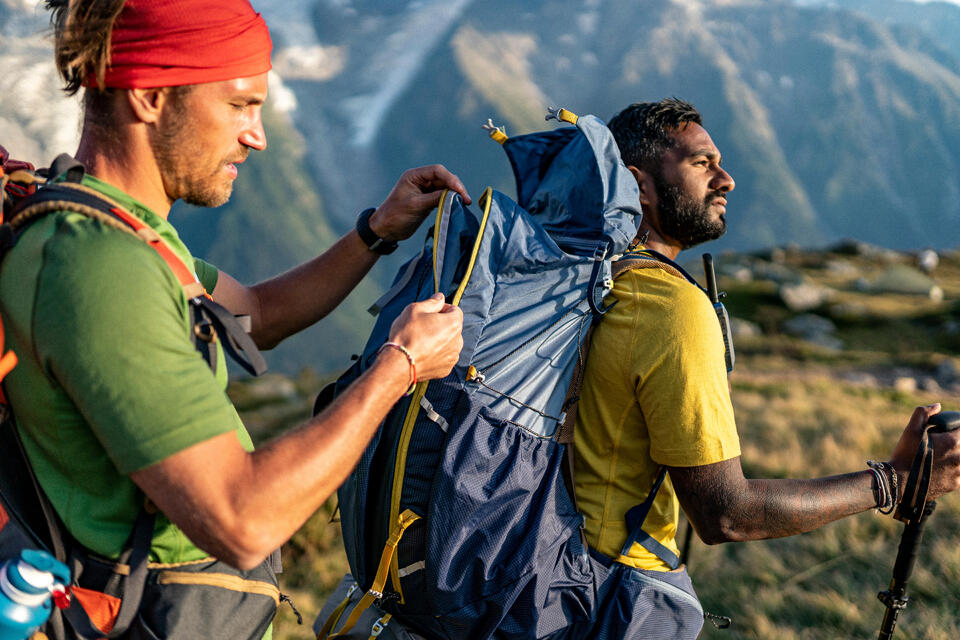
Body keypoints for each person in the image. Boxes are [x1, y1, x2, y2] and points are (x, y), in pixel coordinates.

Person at [0, 0, 465, 637]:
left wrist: (376, 232)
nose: (257, 135)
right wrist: (399, 367)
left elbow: (258, 315)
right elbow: (241, 522)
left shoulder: (122, 238)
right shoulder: (101, 270)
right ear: (150, 97)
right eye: (240, 104)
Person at [571, 98, 960, 638]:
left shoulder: (585, 280)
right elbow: (727, 513)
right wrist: (893, 482)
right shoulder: (671, 309)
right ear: (637, 186)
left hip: (540, 573)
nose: (727, 179)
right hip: (606, 597)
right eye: (702, 163)